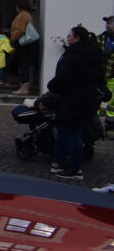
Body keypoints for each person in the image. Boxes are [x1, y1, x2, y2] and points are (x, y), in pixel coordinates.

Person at [46, 26, 103, 180]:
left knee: (73, 132)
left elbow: (63, 78)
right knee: (66, 130)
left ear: (77, 38)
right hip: (85, 100)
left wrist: (52, 86)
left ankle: (75, 168)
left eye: (70, 35)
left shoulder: (73, 56)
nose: (67, 37)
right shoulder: (93, 55)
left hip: (72, 100)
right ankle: (58, 162)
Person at [10, 0, 37, 95]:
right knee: (26, 63)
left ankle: (24, 88)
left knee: (23, 64)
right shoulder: (28, 15)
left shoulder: (22, 16)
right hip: (28, 43)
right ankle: (25, 86)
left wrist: (12, 38)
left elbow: (20, 30)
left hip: (22, 43)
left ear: (19, 7)